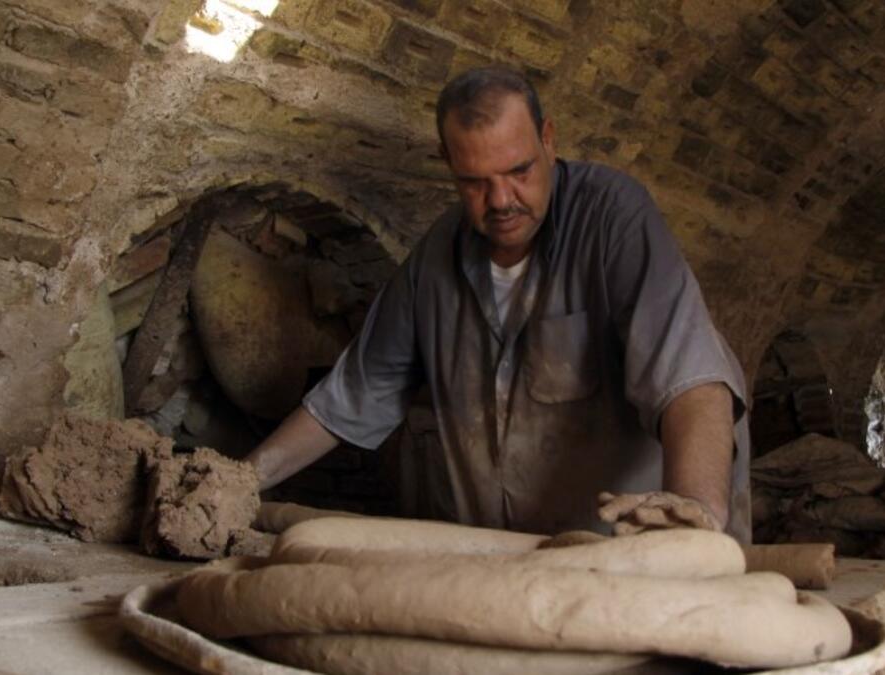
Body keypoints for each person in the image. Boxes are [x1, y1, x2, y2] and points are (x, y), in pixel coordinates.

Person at [247, 66, 752, 543]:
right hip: (508, 559)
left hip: (622, 549)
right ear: (448, 162)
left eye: (519, 170)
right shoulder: (435, 261)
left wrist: (693, 507)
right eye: (475, 182)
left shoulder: (611, 217)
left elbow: (689, 377)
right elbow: (351, 395)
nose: (502, 200)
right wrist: (242, 479)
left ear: (548, 140)